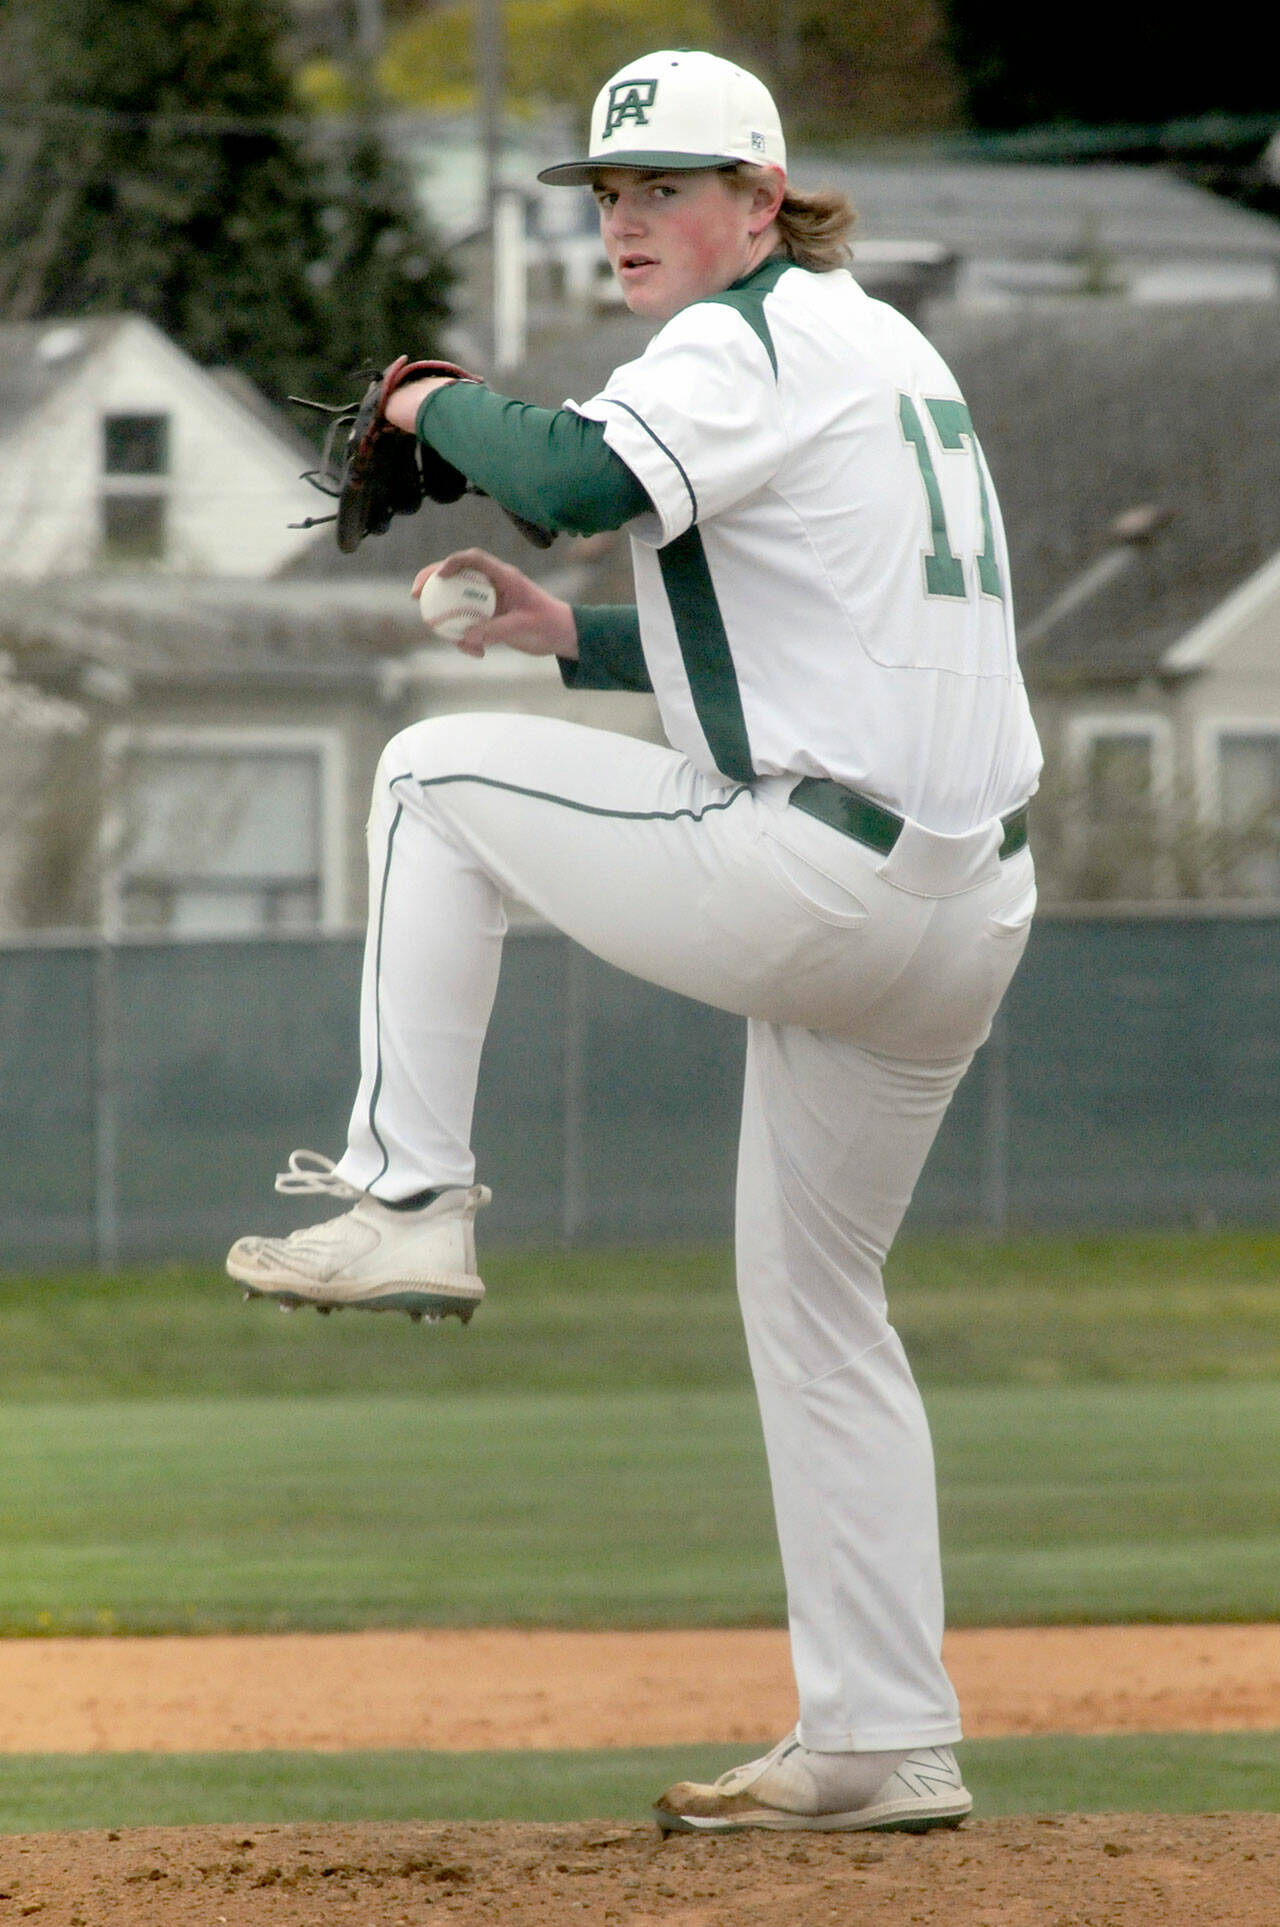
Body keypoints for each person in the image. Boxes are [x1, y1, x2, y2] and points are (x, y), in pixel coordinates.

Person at [227, 49, 1042, 1834]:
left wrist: (434, 398)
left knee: (431, 782)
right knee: (819, 1307)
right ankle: (884, 1736)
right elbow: (809, 626)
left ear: (764, 198)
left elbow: (582, 478)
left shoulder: (741, 340)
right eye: (608, 194)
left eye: (666, 188)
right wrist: (562, 641)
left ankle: (409, 1197)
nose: (626, 221)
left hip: (823, 885)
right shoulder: (886, 348)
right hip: (961, 908)